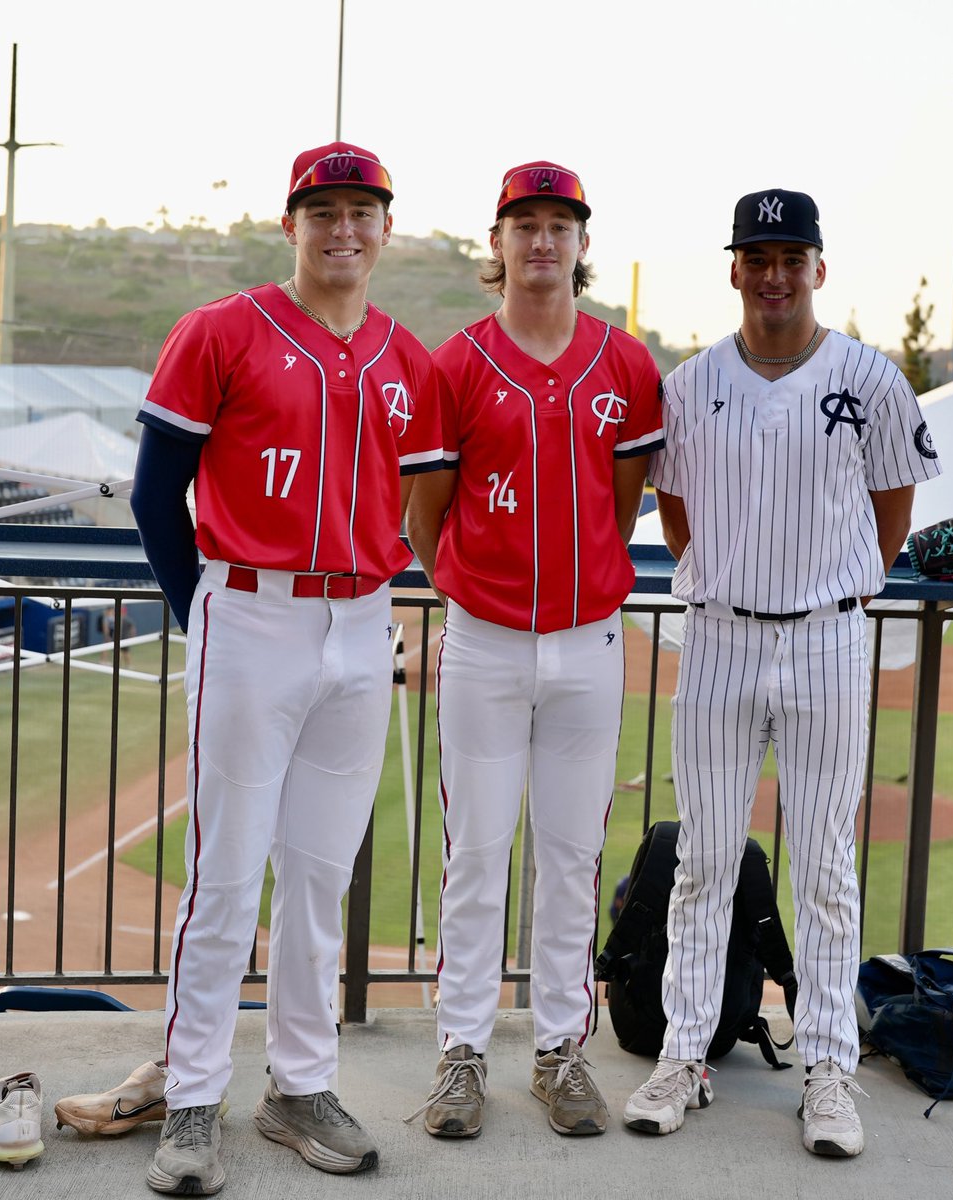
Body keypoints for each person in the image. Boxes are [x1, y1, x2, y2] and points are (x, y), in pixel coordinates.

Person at [130, 141, 443, 1193]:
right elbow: (152, 495)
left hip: (363, 621)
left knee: (319, 876)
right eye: (324, 210)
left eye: (362, 209)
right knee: (225, 873)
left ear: (386, 228)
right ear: (292, 222)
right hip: (250, 610)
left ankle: (300, 1085)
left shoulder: (409, 359)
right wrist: (205, 613)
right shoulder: (221, 330)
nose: (343, 228)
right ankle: (190, 1099)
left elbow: (421, 503)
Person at [623, 189, 942, 1156]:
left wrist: (830, 587)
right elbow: (678, 518)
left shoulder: (872, 378)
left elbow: (890, 510)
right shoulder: (687, 385)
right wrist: (733, 578)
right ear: (732, 268)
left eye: (789, 257)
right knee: (703, 863)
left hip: (827, 640)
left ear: (817, 268)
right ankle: (683, 1054)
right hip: (718, 636)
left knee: (825, 871)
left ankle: (828, 1072)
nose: (772, 275)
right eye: (755, 257)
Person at [405, 161, 664, 1138]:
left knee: (572, 856)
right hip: (485, 642)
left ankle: (561, 1052)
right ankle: (461, 1054)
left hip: (590, 642)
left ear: (581, 243)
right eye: (526, 224)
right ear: (499, 242)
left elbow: (627, 500)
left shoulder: (626, 362)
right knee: (475, 853)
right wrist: (478, 589)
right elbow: (425, 517)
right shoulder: (456, 362)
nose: (543, 241)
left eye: (560, 224)